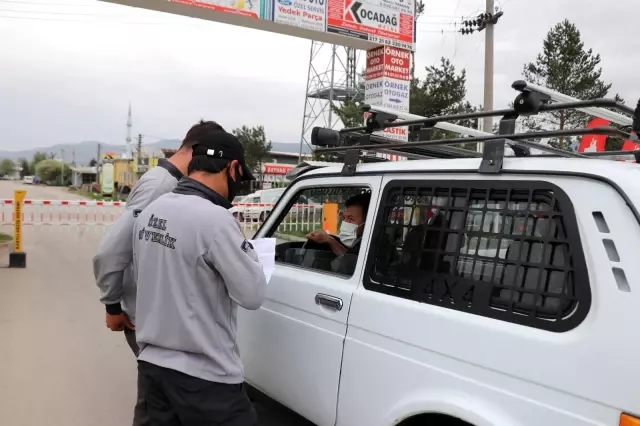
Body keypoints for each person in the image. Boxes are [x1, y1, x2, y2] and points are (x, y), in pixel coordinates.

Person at [92, 120, 225, 426]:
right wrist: (112, 305)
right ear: (196, 152)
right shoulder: (162, 186)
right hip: (144, 316)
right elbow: (112, 250)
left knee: (157, 403)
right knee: (158, 406)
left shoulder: (167, 182)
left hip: (154, 315)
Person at [132, 129, 267, 426]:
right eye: (240, 178)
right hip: (206, 379)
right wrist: (252, 257)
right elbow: (252, 295)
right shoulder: (216, 221)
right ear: (232, 168)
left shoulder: (150, 213)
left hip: (153, 369)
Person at [306, 192, 371, 256]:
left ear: (367, 221)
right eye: (344, 217)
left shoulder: (372, 246)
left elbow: (351, 263)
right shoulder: (359, 242)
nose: (345, 222)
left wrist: (330, 240)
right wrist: (330, 240)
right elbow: (350, 255)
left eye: (350, 219)